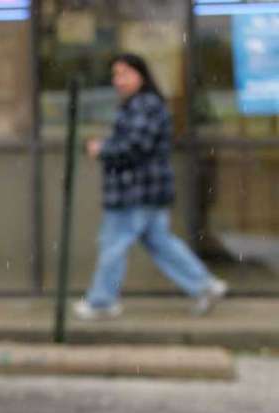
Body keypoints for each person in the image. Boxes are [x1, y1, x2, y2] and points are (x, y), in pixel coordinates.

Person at [74, 53, 227, 320]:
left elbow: (135, 147)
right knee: (160, 243)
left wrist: (101, 149)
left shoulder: (144, 105)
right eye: (115, 74)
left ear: (140, 75)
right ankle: (204, 285)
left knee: (114, 244)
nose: (117, 80)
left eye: (123, 73)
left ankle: (101, 301)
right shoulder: (142, 104)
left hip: (135, 191)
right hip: (145, 190)